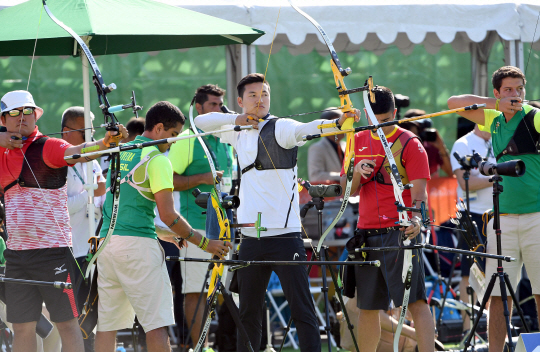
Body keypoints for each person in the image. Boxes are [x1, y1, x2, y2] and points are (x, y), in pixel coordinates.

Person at [195, 73, 360, 352]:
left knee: (303, 312)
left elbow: (310, 128)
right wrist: (237, 120)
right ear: (239, 101)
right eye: (253, 95)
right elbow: (199, 122)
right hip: (250, 239)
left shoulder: (281, 128)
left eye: (265, 95)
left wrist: (338, 123)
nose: (260, 100)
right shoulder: (237, 132)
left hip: (285, 238)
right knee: (248, 314)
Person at [94, 101, 231, 352]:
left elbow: (124, 210)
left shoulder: (120, 152)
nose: (174, 141)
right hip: (137, 250)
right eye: (173, 134)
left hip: (106, 247)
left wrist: (162, 234)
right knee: (156, 326)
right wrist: (205, 242)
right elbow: (168, 215)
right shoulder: (158, 160)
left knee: (107, 326)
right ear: (158, 128)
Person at [0, 90, 127, 352]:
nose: (21, 117)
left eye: (27, 111)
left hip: (53, 254)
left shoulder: (48, 146)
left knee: (66, 324)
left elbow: (78, 152)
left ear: (36, 116)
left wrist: (104, 143)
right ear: (3, 119)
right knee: (22, 326)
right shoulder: (2, 152)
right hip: (16, 255)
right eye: (13, 112)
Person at [448, 65, 540, 352]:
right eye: (509, 90)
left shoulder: (534, 117)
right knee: (498, 297)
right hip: (502, 221)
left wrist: (521, 104)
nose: (516, 95)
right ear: (497, 93)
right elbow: (453, 103)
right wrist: (496, 105)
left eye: (520, 89)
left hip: (537, 216)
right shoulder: (493, 118)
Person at [345, 87, 435, 352]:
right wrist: (358, 173)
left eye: (385, 121)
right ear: (365, 114)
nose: (380, 128)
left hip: (400, 232)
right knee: (368, 307)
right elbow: (347, 190)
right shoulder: (357, 139)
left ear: (395, 113)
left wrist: (417, 222)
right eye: (374, 121)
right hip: (367, 234)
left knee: (416, 302)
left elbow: (419, 194)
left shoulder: (410, 142)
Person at [167, 84, 232, 348]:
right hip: (196, 226)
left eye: (220, 105)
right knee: (195, 291)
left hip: (228, 226)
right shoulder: (188, 139)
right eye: (213, 105)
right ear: (198, 108)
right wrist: (202, 178)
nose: (218, 110)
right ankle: (200, 347)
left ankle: (229, 344)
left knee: (231, 292)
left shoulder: (227, 138)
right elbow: (168, 179)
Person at [61, 106, 107, 351]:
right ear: (67, 133)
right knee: (72, 312)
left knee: (92, 311)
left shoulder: (92, 160)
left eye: (92, 130)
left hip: (92, 248)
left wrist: (95, 195)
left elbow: (102, 195)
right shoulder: (58, 161)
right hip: (69, 249)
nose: (91, 136)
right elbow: (60, 208)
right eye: (85, 131)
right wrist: (89, 194)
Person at [449, 123, 494, 332]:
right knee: (471, 273)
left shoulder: (501, 137)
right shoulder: (463, 144)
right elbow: (467, 183)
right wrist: (498, 177)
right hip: (472, 215)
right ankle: (468, 329)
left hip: (501, 213)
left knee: (499, 272)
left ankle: (495, 326)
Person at [402, 109, 453, 177]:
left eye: (421, 128)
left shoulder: (432, 147)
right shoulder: (399, 147)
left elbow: (451, 173)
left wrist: (442, 147)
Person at [307, 108, 345, 182]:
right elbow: (315, 176)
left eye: (344, 122)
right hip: (334, 193)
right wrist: (345, 176)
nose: (344, 126)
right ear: (326, 127)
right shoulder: (317, 148)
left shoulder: (347, 146)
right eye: (339, 123)